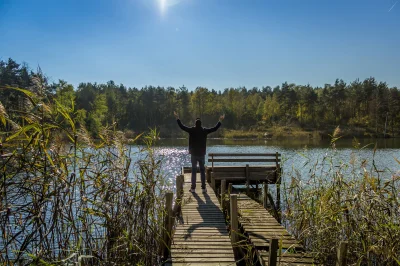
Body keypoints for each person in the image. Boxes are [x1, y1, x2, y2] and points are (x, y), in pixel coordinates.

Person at [174, 111, 225, 193]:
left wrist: (177, 118)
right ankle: (204, 188)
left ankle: (193, 188)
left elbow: (182, 127)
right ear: (201, 124)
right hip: (201, 154)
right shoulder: (204, 130)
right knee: (202, 171)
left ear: (195, 124)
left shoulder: (191, 130)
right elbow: (214, 128)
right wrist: (220, 120)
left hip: (194, 154)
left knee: (193, 171)